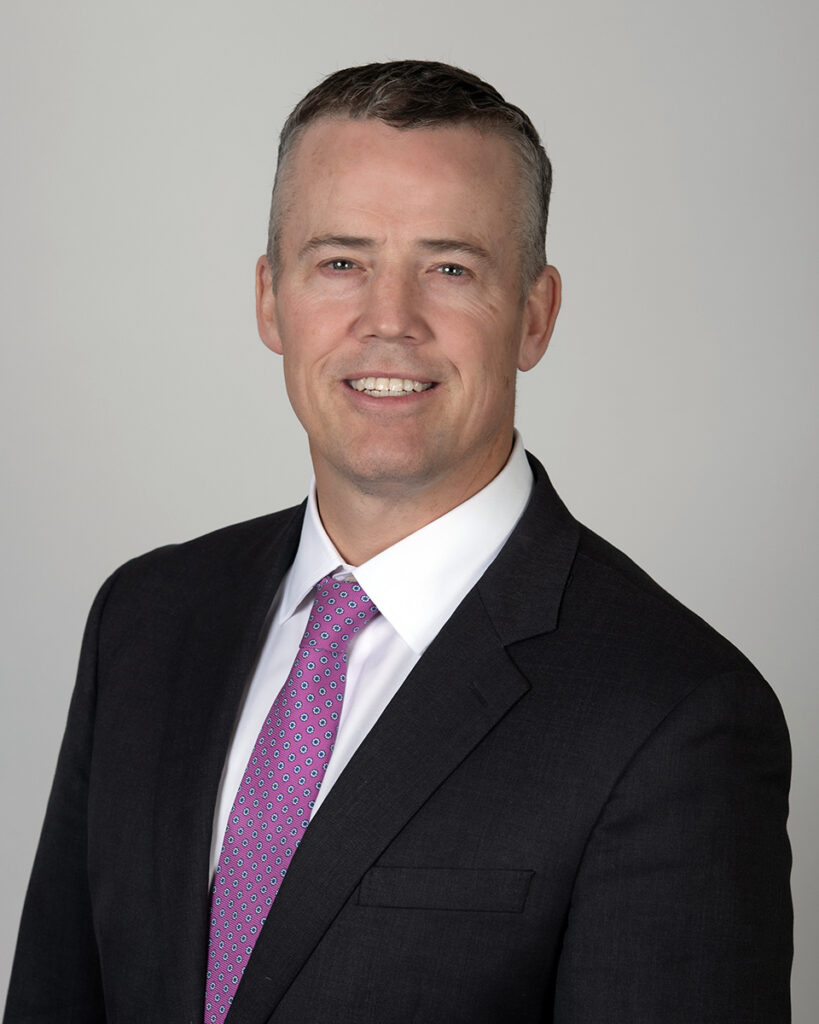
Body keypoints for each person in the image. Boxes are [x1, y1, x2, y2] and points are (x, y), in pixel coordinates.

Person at [4, 60, 792, 1024]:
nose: (389, 321)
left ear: (534, 315)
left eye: (449, 268)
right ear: (270, 299)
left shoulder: (675, 716)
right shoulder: (146, 620)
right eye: (340, 262)